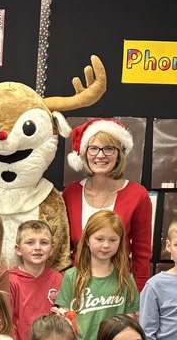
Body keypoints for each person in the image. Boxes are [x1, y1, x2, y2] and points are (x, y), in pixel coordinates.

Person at [62, 118, 152, 293]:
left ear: (119, 153)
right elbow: (63, 250)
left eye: (108, 148)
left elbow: (142, 255)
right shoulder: (70, 193)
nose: (100, 155)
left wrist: (139, 297)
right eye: (93, 148)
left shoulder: (137, 195)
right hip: (77, 288)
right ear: (84, 153)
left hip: (118, 289)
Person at [55, 209, 139, 340]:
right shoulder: (71, 277)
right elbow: (65, 322)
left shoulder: (126, 280)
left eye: (113, 240)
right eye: (99, 239)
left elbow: (129, 324)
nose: (106, 245)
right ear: (87, 240)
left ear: (120, 242)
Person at [7, 219, 63, 340]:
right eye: (30, 242)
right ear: (18, 249)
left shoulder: (59, 280)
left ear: (51, 249)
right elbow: (7, 323)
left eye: (43, 242)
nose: (37, 247)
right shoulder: (10, 280)